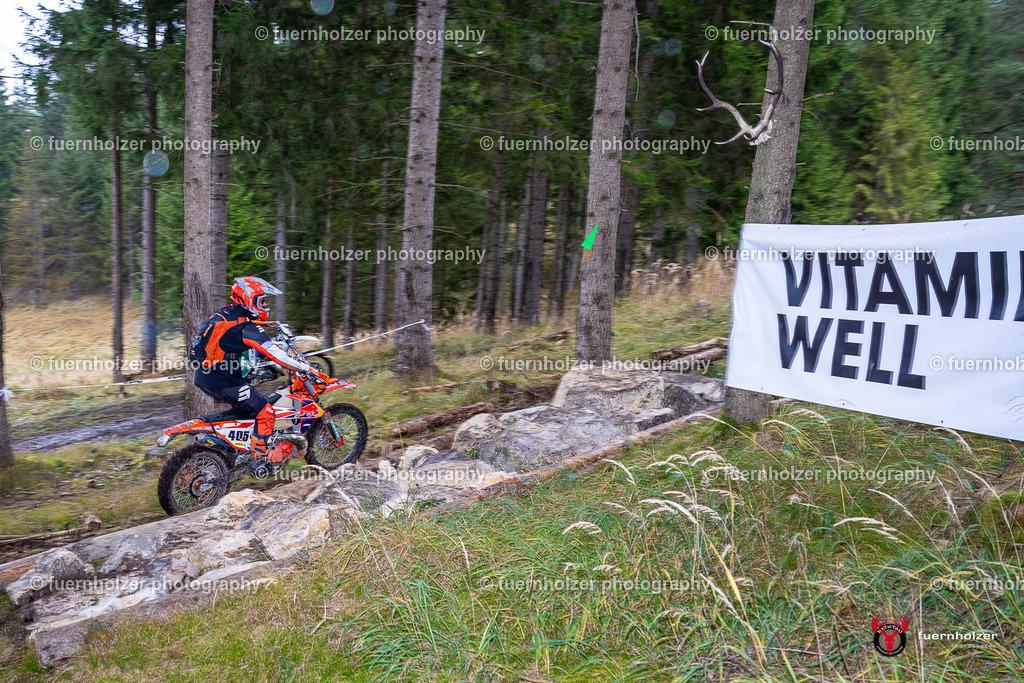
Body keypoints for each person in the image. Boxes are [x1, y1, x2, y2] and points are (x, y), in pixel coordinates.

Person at [189, 276, 329, 473]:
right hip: (224, 381)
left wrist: (264, 323)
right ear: (248, 298)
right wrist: (306, 368)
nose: (265, 305)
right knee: (266, 413)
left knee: (247, 409)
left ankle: (237, 451)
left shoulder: (227, 313)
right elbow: (279, 356)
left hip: (205, 376)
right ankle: (259, 461)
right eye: (261, 300)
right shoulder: (247, 328)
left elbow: (232, 331)